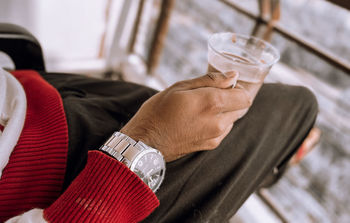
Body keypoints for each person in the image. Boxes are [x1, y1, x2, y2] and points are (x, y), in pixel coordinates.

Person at [0, 66, 318, 223]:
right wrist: (145, 140)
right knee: (300, 106)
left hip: (28, 91)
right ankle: (270, 169)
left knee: (181, 108)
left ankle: (258, 170)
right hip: (51, 183)